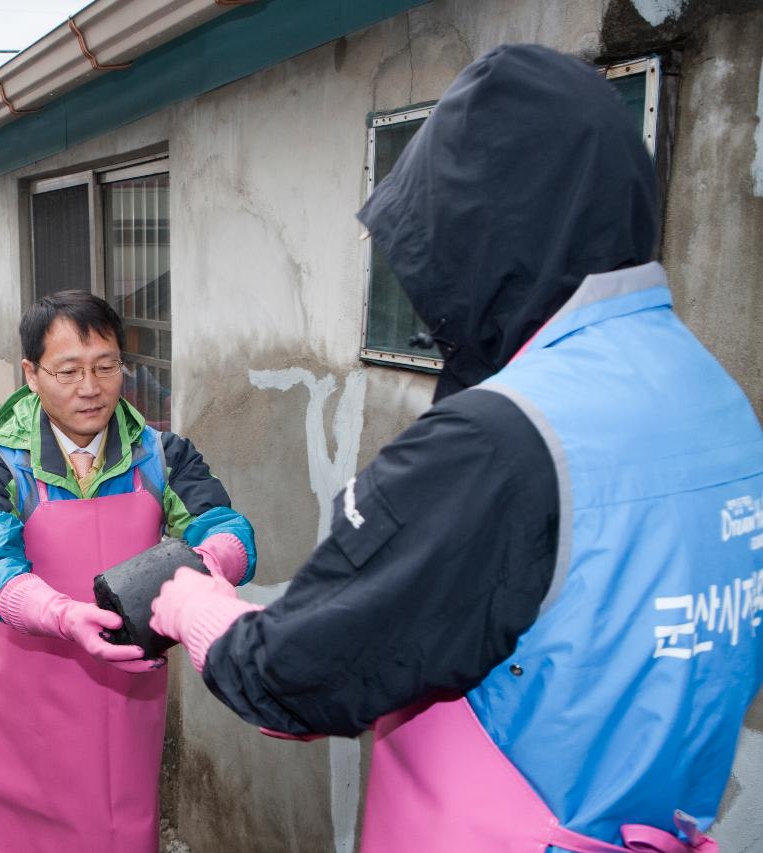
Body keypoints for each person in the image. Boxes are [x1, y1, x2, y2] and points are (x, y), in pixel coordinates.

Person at [147, 45, 762, 852]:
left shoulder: (505, 440)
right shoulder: (716, 398)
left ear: (488, 229)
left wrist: (194, 604)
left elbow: (297, 672)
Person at [0, 291, 257, 852]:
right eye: (68, 371)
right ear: (32, 374)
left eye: (106, 367)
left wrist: (209, 569)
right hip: (35, 690)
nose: (90, 387)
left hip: (128, 691)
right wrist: (64, 616)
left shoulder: (160, 456)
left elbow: (227, 527)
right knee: (39, 827)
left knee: (125, 822)